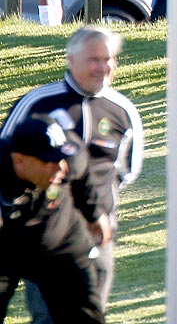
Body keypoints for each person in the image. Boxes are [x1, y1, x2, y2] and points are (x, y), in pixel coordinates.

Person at [2, 26, 143, 321]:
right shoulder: (38, 102)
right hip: (45, 227)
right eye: (94, 59)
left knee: (87, 311)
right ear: (71, 59)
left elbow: (127, 171)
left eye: (109, 59)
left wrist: (98, 211)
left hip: (97, 228)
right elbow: (6, 155)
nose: (102, 67)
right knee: (48, 316)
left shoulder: (123, 110)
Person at [0, 117, 103, 324]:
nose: (60, 168)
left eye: (60, 158)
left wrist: (93, 216)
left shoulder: (71, 157)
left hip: (60, 243)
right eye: (49, 161)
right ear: (19, 160)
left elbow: (83, 174)